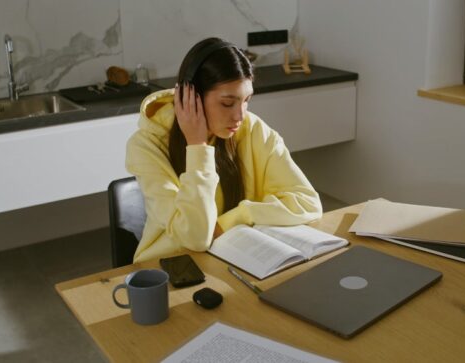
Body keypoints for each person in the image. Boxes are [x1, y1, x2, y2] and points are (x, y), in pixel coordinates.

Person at [125, 37, 322, 262]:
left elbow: (308, 202)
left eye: (246, 100)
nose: (240, 116)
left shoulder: (253, 129)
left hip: (231, 258)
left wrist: (234, 219)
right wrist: (197, 146)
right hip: (170, 266)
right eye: (228, 103)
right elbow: (195, 238)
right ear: (193, 97)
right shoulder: (145, 146)